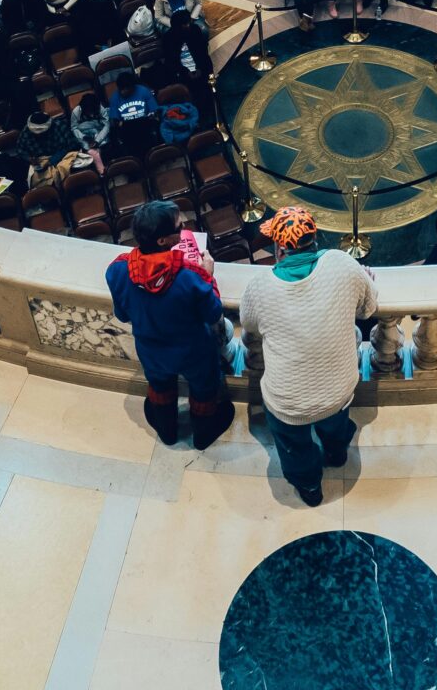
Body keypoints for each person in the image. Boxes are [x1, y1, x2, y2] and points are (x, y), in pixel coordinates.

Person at [239, 206, 376, 505]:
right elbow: (368, 309)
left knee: (294, 446)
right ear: (315, 238)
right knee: (335, 425)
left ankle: (310, 487)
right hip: (339, 390)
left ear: (280, 249)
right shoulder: (343, 263)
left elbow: (249, 325)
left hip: (289, 403)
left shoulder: (260, 287)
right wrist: (363, 280)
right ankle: (337, 454)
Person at [106, 201, 236, 449]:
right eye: (179, 226)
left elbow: (122, 315)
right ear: (163, 241)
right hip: (193, 351)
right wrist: (208, 275)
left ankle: (166, 431)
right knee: (204, 388)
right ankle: (203, 435)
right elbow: (213, 313)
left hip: (151, 349)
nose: (185, 227)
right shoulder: (190, 276)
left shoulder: (117, 270)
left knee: (160, 384)